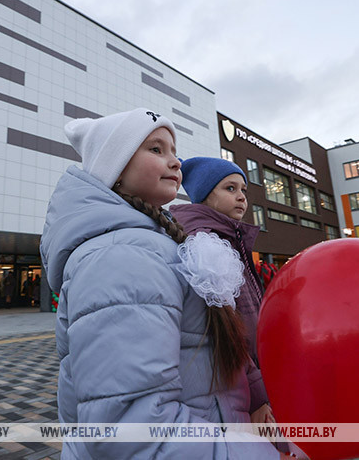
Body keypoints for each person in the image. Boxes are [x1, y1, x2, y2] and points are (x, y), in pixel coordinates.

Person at [40, 109, 282, 459]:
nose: (174, 161)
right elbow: (133, 429)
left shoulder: (156, 243)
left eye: (173, 150)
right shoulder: (120, 255)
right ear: (116, 166)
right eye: (156, 149)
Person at [169, 157, 274, 424]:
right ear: (205, 194)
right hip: (233, 387)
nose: (241, 197)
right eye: (230, 188)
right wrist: (258, 396)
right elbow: (227, 329)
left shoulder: (230, 237)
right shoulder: (206, 243)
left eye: (243, 190)